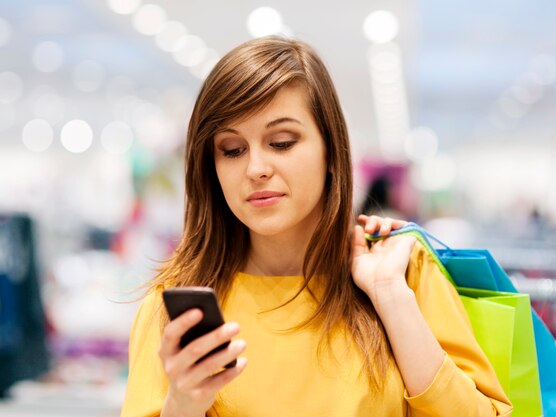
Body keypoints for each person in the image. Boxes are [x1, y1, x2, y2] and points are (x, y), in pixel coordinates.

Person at [121, 36, 513, 417]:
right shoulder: (176, 309)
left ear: (331, 151)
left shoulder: (405, 272)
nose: (256, 169)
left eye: (282, 142)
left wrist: (391, 297)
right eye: (233, 150)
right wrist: (183, 407)